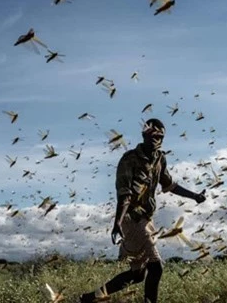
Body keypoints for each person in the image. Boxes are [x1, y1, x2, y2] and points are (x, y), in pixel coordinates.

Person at [79, 118, 206, 303]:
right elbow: (125, 195)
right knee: (157, 267)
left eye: (159, 136)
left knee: (137, 275)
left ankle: (88, 299)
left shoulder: (160, 159)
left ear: (163, 138)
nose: (155, 139)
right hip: (131, 218)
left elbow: (169, 185)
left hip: (146, 219)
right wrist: (118, 223)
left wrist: (194, 196)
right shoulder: (129, 159)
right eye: (151, 135)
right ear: (144, 135)